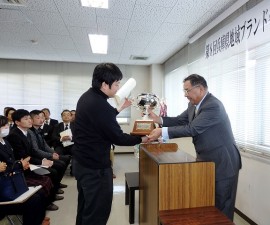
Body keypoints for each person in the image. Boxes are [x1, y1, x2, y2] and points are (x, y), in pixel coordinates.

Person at [147, 74, 242, 221]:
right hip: (206, 160)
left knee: (223, 205)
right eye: (184, 91)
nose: (185, 95)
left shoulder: (213, 106)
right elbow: (180, 120)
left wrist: (162, 132)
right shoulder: (193, 105)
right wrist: (158, 119)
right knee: (208, 202)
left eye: (187, 91)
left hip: (224, 162)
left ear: (201, 89)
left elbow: (192, 129)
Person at [72, 62, 149, 225]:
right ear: (104, 84)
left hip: (82, 163)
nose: (118, 87)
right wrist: (142, 139)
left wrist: (118, 110)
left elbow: (99, 122)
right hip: (95, 169)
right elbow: (118, 137)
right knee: (97, 214)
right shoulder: (100, 105)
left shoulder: (88, 97)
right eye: (116, 83)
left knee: (86, 208)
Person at [0, 115, 50, 225]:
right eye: (3, 126)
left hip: (13, 178)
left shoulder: (5, 142)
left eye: (6, 125)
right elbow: (5, 167)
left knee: (40, 193)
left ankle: (39, 220)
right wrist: (19, 164)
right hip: (4, 187)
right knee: (34, 200)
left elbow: (12, 162)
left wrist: (21, 164)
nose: (6, 127)